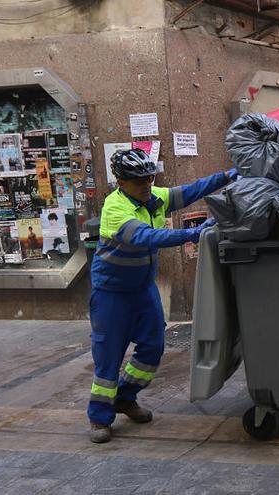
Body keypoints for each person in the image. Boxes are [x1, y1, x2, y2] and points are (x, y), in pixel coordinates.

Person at [87, 148, 237, 443]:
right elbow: (146, 237)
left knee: (153, 348)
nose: (145, 184)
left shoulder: (153, 197)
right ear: (120, 180)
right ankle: (99, 418)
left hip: (143, 290)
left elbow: (190, 192)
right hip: (111, 293)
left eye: (149, 177)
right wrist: (190, 234)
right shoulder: (115, 208)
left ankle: (125, 398)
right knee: (108, 357)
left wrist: (227, 176)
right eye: (138, 180)